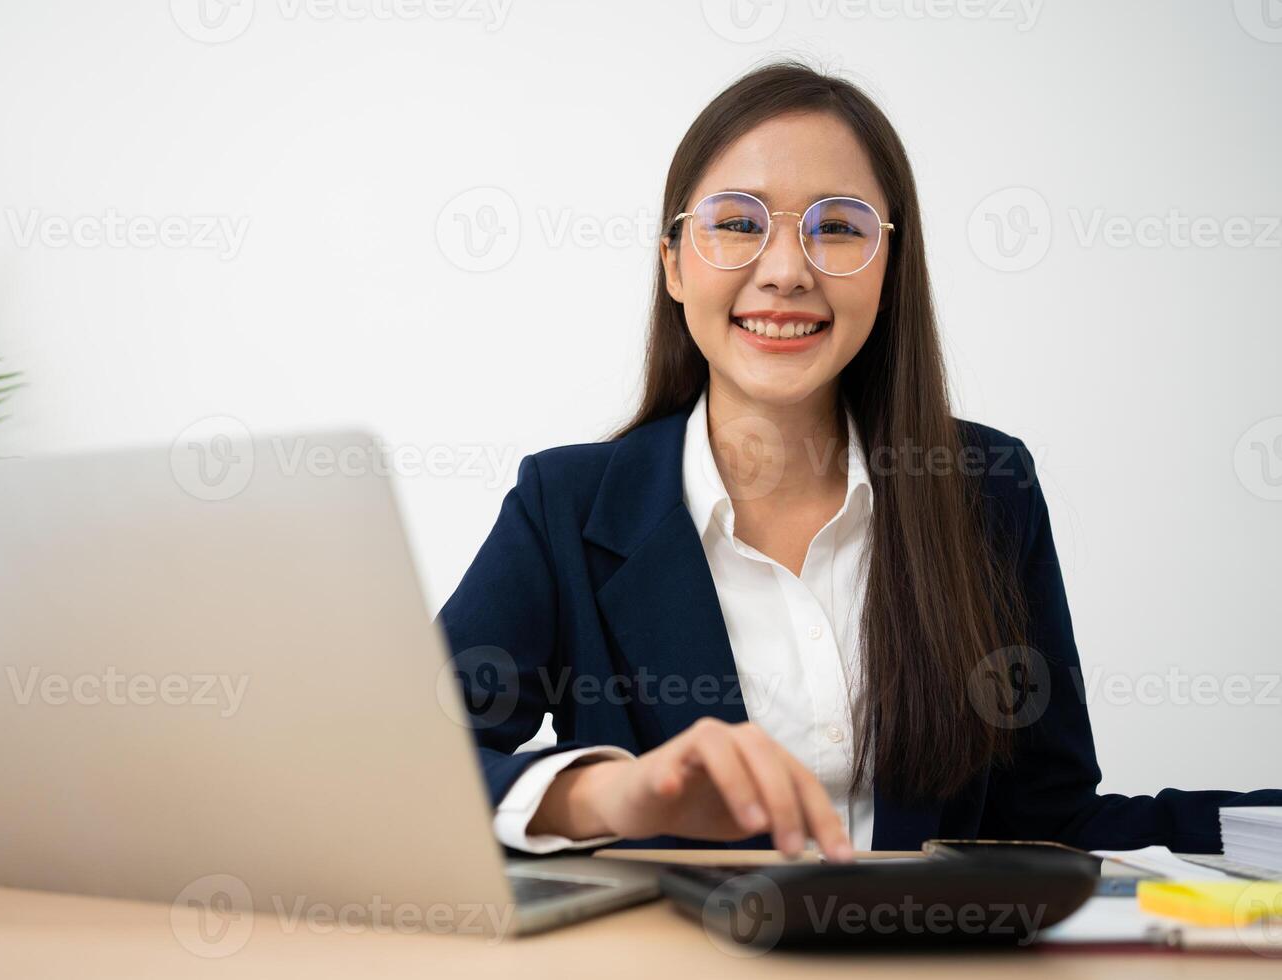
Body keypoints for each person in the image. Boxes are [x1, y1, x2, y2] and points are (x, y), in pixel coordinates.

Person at [434, 59, 1279, 861]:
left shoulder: (987, 490)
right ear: (673, 265)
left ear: (890, 269)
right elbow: (412, 763)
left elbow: (1047, 823)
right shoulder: (567, 507)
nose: (786, 271)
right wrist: (614, 796)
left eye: (837, 229)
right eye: (737, 223)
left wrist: (1253, 829)